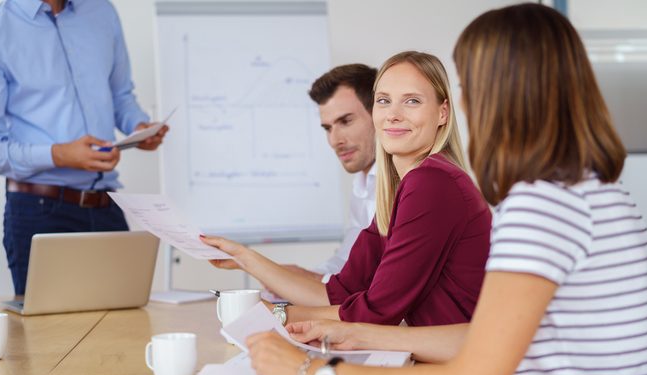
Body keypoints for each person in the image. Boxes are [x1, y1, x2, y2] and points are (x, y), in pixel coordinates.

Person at [245, 4, 647, 375]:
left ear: (495, 95)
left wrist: (314, 373)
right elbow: (485, 338)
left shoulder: (542, 207)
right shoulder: (592, 190)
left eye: (468, 84)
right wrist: (357, 334)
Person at [201, 51, 491, 326]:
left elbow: (377, 311)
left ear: (443, 113)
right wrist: (243, 256)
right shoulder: (402, 190)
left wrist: (278, 314)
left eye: (412, 101)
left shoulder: (432, 183)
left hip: (457, 369)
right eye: (384, 101)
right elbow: (339, 293)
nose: (393, 114)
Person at [0, 0, 168, 295]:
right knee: (51, 337)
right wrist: (59, 154)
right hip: (38, 211)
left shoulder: (101, 11)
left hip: (106, 205)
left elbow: (121, 96)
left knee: (122, 328)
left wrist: (138, 128)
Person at [282, 64, 378, 284]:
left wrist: (309, 281)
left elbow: (369, 278)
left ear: (379, 115)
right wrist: (300, 277)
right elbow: (346, 259)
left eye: (345, 121)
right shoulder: (363, 181)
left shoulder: (405, 181)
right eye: (327, 128)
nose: (335, 141)